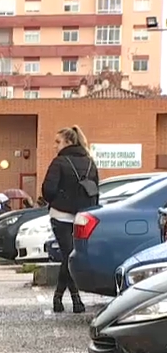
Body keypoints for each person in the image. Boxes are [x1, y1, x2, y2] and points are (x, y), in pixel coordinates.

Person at [42, 125, 99, 314]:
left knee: (68, 256)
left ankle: (66, 298)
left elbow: (47, 191)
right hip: (82, 216)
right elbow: (96, 190)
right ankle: (67, 299)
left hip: (60, 214)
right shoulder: (91, 162)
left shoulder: (59, 162)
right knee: (70, 256)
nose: (54, 146)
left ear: (68, 142)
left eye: (58, 142)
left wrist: (58, 198)